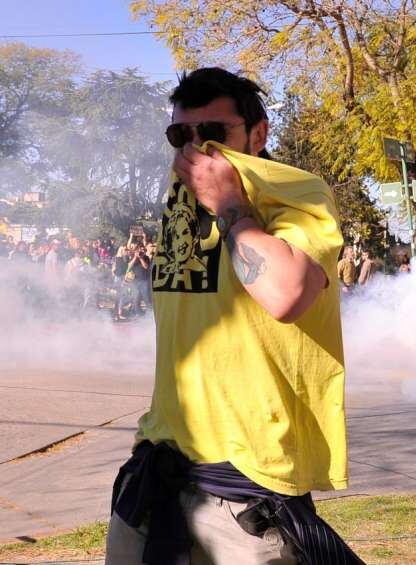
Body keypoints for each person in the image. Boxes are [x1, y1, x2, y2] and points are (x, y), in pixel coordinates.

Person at [105, 67, 361, 565]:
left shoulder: (296, 194)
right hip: (157, 468)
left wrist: (228, 204)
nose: (197, 149)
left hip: (245, 486)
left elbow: (286, 295)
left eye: (215, 133)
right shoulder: (176, 204)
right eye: (182, 134)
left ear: (258, 133)